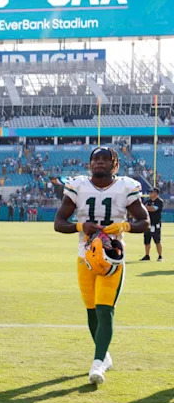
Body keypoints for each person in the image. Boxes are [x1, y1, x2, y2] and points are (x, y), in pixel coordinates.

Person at [54, 146, 149, 385]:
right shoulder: (78, 186)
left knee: (105, 309)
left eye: (105, 160)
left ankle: (97, 364)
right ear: (89, 164)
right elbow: (59, 222)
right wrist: (79, 226)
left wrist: (125, 226)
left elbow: (144, 221)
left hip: (112, 257)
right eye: (95, 159)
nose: (99, 163)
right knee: (92, 311)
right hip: (85, 256)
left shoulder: (125, 186)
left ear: (114, 164)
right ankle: (104, 355)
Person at [141, 188, 163, 262]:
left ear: (156, 193)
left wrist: (146, 208)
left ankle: (160, 256)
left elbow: (154, 209)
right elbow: (142, 209)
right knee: (147, 240)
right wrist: (147, 208)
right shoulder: (147, 201)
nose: (150, 193)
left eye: (151, 192)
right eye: (150, 192)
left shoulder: (159, 201)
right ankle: (147, 255)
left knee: (157, 240)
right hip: (148, 223)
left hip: (155, 223)